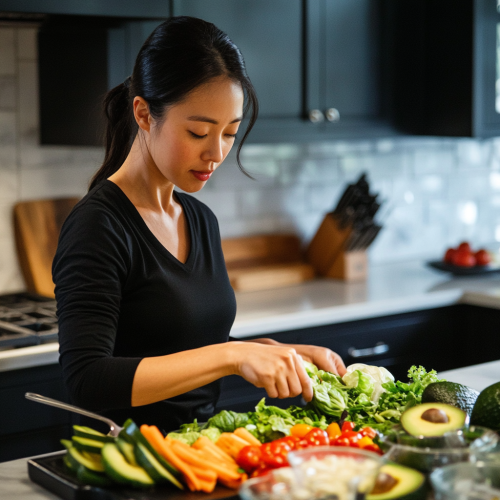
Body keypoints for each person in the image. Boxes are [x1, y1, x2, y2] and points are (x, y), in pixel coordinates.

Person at [53, 16, 346, 433]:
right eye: (198, 132)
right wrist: (231, 358)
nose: (216, 153)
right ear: (143, 113)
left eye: (229, 133)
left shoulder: (199, 220)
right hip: (129, 467)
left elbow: (180, 348)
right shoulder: (98, 227)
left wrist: (270, 353)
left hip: (200, 457)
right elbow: (89, 380)